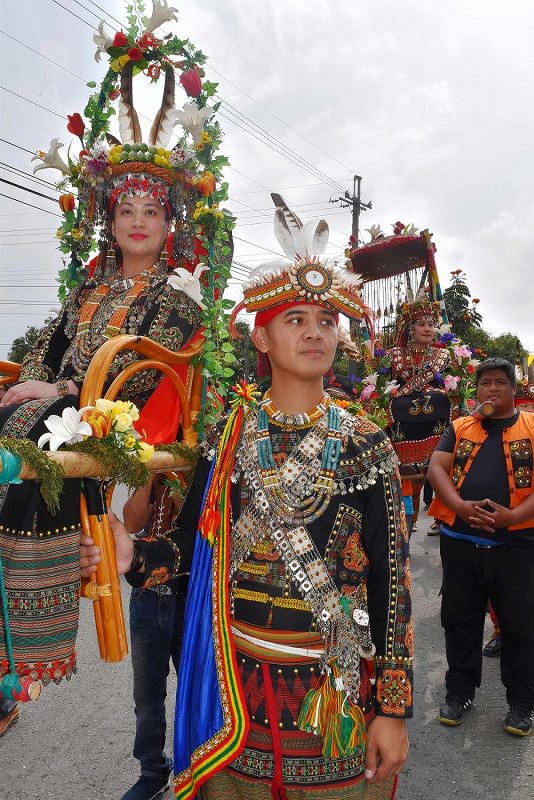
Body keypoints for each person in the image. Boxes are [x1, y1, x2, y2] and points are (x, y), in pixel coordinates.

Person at [83, 198, 413, 799]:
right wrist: (136, 555)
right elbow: (189, 553)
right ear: (261, 334)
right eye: (295, 320)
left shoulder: (367, 444)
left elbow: (393, 585)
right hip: (235, 691)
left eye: (325, 320)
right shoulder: (228, 437)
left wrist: (391, 708)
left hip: (329, 690)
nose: (314, 331)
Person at [0, 41, 206, 702]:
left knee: (25, 423)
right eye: (126, 211)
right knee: (17, 409)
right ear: (109, 222)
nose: (138, 221)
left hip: (120, 411)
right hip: (67, 407)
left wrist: (57, 391)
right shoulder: (86, 289)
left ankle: (31, 641)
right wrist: (33, 381)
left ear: (169, 223)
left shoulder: (174, 295)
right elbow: (42, 351)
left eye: (152, 211)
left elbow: (144, 372)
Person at [427, 358, 534, 736]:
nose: (492, 389)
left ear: (513, 388)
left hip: (517, 545)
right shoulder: (459, 427)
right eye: (485, 383)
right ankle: (459, 692)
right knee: (459, 620)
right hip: (460, 543)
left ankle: (522, 702)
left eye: (500, 383)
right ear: (476, 390)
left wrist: (512, 516)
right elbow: (436, 468)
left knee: (521, 624)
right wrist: (457, 506)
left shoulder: (533, 425)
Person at [118, 476, 189, 800]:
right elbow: (133, 521)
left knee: (195, 695)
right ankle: (152, 771)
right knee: (147, 699)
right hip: (148, 596)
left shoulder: (211, 452)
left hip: (192, 597)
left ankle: (200, 770)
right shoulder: (155, 456)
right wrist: (147, 474)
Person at [386, 298, 451, 533]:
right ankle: (406, 520)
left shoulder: (443, 356)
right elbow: (387, 387)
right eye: (421, 324)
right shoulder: (395, 355)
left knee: (442, 474)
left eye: (431, 324)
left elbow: (452, 388)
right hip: (405, 429)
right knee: (407, 477)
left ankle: (442, 518)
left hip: (436, 426)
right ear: (410, 329)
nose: (427, 328)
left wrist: (441, 391)